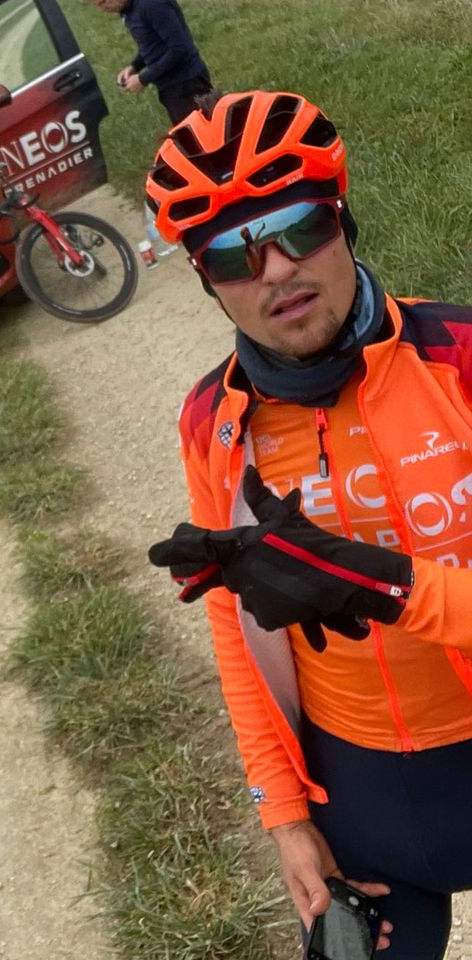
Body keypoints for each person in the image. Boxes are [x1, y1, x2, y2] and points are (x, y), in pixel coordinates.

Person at [145, 90, 472, 959]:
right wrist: (285, 815)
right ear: (208, 284)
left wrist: (388, 586)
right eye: (231, 255)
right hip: (362, 795)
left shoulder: (462, 361)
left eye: (300, 227)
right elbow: (231, 628)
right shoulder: (213, 422)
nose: (278, 271)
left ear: (345, 220)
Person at [88, 0, 212, 125]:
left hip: (187, 83)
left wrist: (144, 78)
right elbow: (152, 43)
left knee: (202, 135)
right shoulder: (127, 10)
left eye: (103, 2)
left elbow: (179, 48)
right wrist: (134, 66)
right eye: (97, 5)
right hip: (170, 87)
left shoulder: (152, 5)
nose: (103, 9)